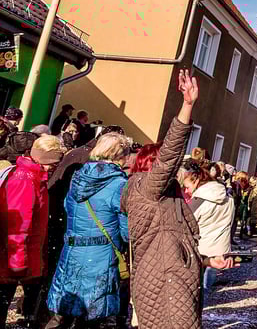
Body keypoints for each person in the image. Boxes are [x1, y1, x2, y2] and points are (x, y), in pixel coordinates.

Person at [120, 70, 233, 329]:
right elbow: (170, 154)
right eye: (171, 166)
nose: (180, 168)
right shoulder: (147, 189)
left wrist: (206, 260)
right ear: (155, 165)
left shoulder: (167, 196)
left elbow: (172, 243)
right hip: (166, 287)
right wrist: (187, 106)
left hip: (174, 284)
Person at [45, 133, 134, 328]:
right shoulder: (119, 184)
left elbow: (68, 209)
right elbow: (126, 231)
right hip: (101, 255)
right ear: (120, 156)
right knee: (92, 315)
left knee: (64, 311)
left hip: (72, 249)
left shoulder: (78, 176)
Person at [0, 135, 66, 325]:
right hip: (13, 257)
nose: (55, 166)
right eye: (53, 161)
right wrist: (18, 262)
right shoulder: (25, 180)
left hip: (23, 253)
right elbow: (16, 225)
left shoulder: (34, 177)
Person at [179, 160, 234, 307]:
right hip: (218, 251)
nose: (186, 191)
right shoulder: (229, 199)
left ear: (196, 180)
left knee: (190, 295)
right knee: (204, 291)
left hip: (198, 252)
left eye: (187, 186)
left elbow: (184, 227)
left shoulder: (199, 202)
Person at [231, 171, 251, 242]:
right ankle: (230, 239)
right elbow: (235, 197)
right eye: (244, 180)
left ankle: (231, 239)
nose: (245, 183)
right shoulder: (235, 185)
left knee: (235, 223)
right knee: (232, 223)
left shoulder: (239, 186)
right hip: (234, 207)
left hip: (237, 207)